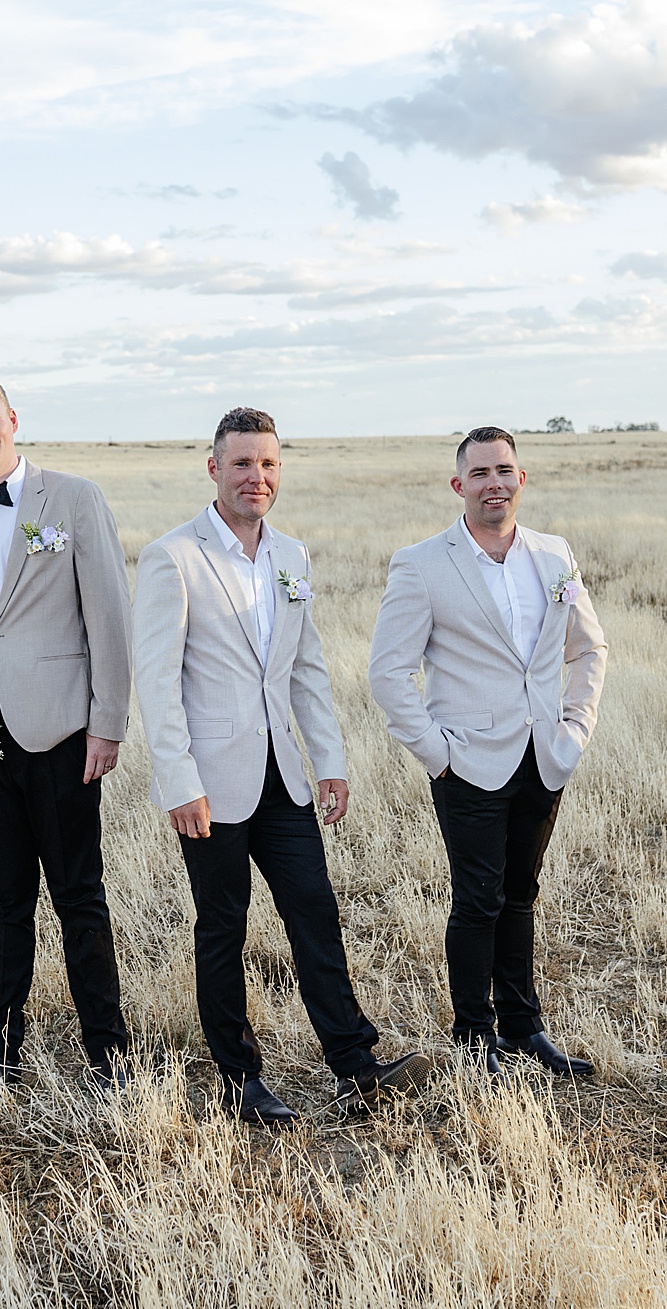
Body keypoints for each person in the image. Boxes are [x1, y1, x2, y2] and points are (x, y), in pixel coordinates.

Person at [132, 407, 430, 1125]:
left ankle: (357, 1066)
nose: (255, 477)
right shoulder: (174, 557)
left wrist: (328, 759)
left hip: (284, 776)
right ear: (213, 468)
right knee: (223, 928)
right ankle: (241, 1081)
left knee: (315, 913)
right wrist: (180, 780)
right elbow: (157, 681)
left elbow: (305, 669)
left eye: (267, 464)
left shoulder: (291, 557)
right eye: (241, 463)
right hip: (211, 784)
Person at [367, 427, 608, 1082]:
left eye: (505, 469)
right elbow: (388, 672)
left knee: (521, 892)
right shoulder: (421, 563)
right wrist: (435, 751)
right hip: (466, 759)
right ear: (459, 485)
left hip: (543, 755)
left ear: (521, 479)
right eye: (480, 473)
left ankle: (526, 1029)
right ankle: (476, 1037)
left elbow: (589, 649)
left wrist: (575, 728)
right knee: (478, 897)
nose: (494, 482)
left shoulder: (555, 556)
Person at [0, 377, 134, 1088]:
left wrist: (107, 723)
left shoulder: (73, 498)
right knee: (5, 899)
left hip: (63, 733)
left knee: (81, 894)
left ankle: (109, 1056)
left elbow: (110, 615)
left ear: (12, 420)